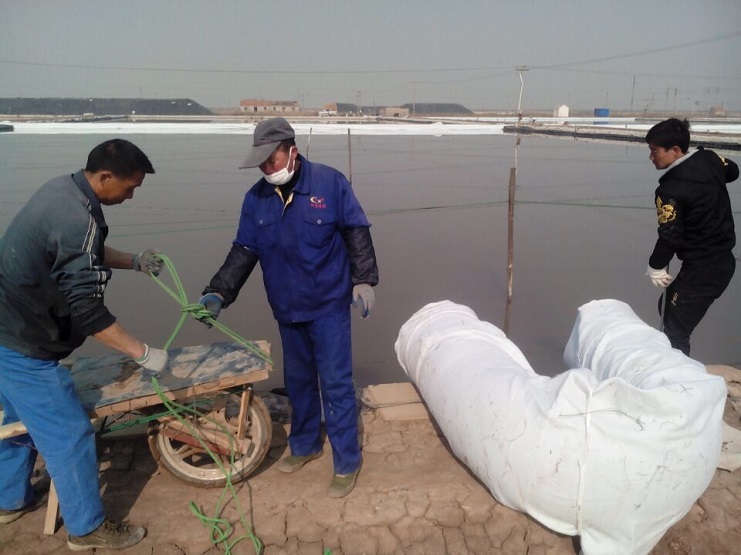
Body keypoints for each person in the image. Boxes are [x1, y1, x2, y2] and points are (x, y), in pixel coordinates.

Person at [0, 139, 169, 550]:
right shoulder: (77, 217)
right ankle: (86, 527)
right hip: (22, 344)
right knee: (71, 432)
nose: (130, 197)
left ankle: (9, 500)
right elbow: (90, 313)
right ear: (106, 177)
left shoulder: (63, 190)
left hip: (5, 330)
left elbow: (78, 250)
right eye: (129, 188)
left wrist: (133, 261)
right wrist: (143, 352)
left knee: (19, 421)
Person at [198, 117, 378, 498]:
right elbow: (243, 251)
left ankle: (347, 461)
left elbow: (356, 230)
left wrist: (364, 279)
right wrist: (218, 292)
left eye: (272, 159)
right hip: (287, 308)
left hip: (328, 306)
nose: (267, 168)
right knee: (298, 382)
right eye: (261, 162)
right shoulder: (256, 199)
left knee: (335, 384)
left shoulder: (329, 183)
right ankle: (305, 445)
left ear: (292, 151)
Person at [644, 118, 739, 355]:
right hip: (721, 261)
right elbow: (733, 170)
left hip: (703, 268)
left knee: (675, 326)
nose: (651, 157)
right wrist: (708, 180)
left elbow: (670, 236)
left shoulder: (669, 191)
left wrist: (655, 266)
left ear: (675, 150)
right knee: (668, 308)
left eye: (655, 151)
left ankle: (679, 373)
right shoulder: (709, 159)